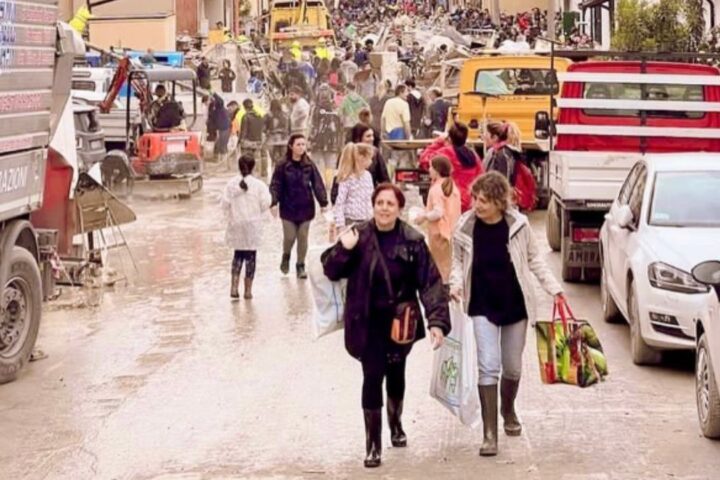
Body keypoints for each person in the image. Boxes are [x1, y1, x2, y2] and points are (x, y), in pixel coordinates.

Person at [321, 183, 450, 469]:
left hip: (400, 322)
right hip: (366, 321)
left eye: (390, 204)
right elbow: (330, 269)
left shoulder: (413, 239)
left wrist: (437, 322)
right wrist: (344, 248)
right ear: (373, 205)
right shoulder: (358, 235)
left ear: (399, 209)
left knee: (396, 375)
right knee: (371, 376)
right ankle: (373, 446)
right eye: (379, 202)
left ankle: (395, 423)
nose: (384, 208)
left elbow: (430, 283)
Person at [448, 172, 565, 457]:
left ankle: (508, 409)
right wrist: (456, 284)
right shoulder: (465, 225)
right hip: (481, 304)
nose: (477, 205)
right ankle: (490, 434)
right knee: (488, 365)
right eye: (475, 198)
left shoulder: (518, 225)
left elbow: (535, 259)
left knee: (512, 367)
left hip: (515, 304)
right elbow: (458, 261)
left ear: (500, 202)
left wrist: (555, 289)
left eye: (484, 201)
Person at [270, 134, 329, 279]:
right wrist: (273, 202)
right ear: (291, 146)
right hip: (288, 206)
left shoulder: (309, 164)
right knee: (289, 237)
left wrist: (323, 202)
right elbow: (276, 185)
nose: (302, 147)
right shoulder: (282, 164)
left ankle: (300, 265)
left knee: (303, 237)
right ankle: (286, 256)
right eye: (298, 144)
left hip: (306, 206)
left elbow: (317, 184)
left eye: (303, 144)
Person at [221, 155, 272, 300]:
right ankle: (248, 291)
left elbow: (224, 204)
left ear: (238, 166)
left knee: (238, 255)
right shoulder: (259, 185)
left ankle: (234, 287)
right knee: (250, 257)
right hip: (253, 225)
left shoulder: (231, 184)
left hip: (236, 224)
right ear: (253, 167)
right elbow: (266, 204)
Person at [414, 155, 461, 282]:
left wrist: (423, 216)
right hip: (451, 231)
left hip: (439, 234)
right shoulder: (452, 187)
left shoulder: (436, 189)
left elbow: (438, 212)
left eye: (430, 167)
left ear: (437, 170)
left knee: (440, 269)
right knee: (449, 267)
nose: (428, 170)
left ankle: (443, 294)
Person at [419, 122, 483, 212]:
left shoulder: (446, 152)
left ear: (449, 138)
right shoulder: (473, 155)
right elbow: (481, 175)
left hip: (449, 200)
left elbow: (424, 160)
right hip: (469, 202)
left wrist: (439, 141)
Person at [332, 143, 375, 239]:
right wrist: (340, 225)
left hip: (367, 221)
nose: (371, 161)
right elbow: (340, 202)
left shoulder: (368, 176)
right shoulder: (347, 178)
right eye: (369, 158)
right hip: (350, 222)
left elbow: (371, 198)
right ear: (361, 157)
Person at [239, 99, 266, 178]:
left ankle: (248, 174)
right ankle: (257, 174)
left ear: (244, 107)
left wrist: (241, 141)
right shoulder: (259, 116)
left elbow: (244, 130)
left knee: (246, 159)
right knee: (256, 158)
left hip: (247, 142)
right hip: (257, 141)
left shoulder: (245, 117)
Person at [205, 93, 231, 163]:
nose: (207, 103)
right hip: (219, 128)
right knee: (218, 144)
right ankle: (219, 160)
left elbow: (220, 101)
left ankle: (224, 161)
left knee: (222, 145)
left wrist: (213, 93)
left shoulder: (219, 107)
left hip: (224, 128)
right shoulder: (213, 109)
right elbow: (211, 120)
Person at [265, 99, 290, 172]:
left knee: (274, 159)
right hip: (284, 139)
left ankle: (275, 173)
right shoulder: (286, 115)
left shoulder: (268, 115)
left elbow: (264, 128)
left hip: (272, 139)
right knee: (284, 159)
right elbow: (290, 129)